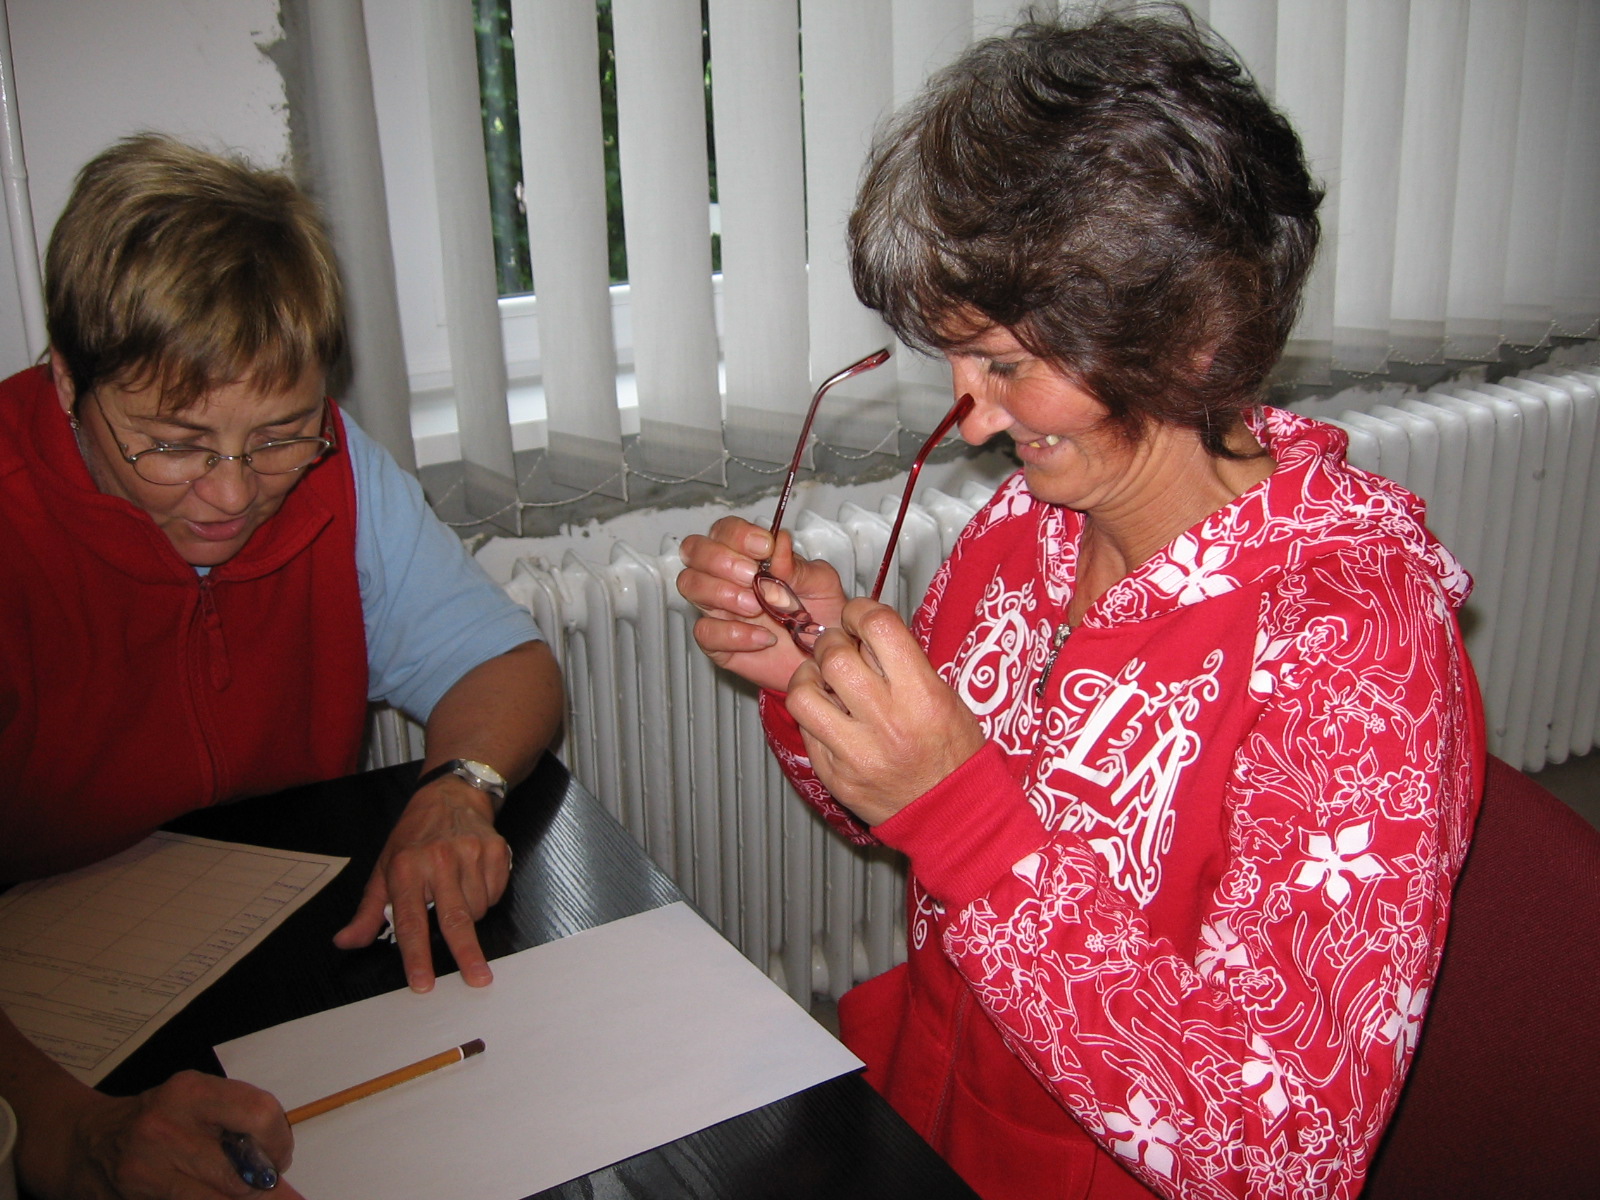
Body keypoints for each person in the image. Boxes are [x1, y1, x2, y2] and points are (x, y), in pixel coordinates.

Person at [677, 7, 1485, 1200]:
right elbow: (898, 817)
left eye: (1005, 363)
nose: (970, 416)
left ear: (1191, 334)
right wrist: (815, 679)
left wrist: (960, 820)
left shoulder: (1354, 650)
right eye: (957, 359)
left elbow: (1284, 1155)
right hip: (935, 1114)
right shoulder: (1027, 528)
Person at [0, 134, 564, 1198]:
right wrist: (68, 1131)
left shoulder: (333, 464)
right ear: (66, 378)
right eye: (171, 444)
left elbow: (503, 662)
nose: (231, 494)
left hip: (268, 964)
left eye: (277, 435)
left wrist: (459, 789)